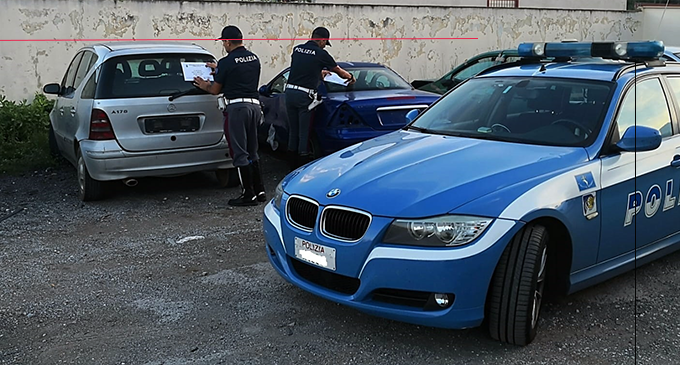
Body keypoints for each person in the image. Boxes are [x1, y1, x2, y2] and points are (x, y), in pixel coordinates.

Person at [193, 25, 266, 207]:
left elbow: (215, 90)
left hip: (237, 108)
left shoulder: (226, 62)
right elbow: (239, 73)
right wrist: (220, 69)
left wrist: (204, 85)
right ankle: (260, 190)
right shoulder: (253, 58)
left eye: (223, 42)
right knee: (252, 150)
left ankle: (247, 195)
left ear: (227, 42)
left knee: (240, 152)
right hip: (255, 107)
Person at [284, 26, 355, 170]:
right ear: (322, 40)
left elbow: (302, 69)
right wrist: (351, 77)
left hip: (289, 93)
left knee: (293, 132)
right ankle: (300, 169)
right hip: (304, 96)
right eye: (325, 42)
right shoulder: (321, 54)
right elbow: (338, 71)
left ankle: (289, 167)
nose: (324, 45)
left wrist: (318, 73)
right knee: (303, 134)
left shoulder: (297, 49)